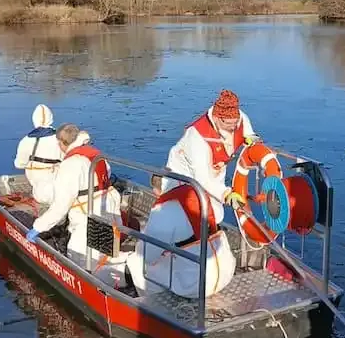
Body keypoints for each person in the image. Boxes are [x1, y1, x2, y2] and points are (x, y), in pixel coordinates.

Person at [26, 124, 126, 285]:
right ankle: (117, 279)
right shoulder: (96, 154)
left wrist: (39, 226)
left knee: (80, 260)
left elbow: (61, 205)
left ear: (60, 142)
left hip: (85, 217)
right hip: (107, 208)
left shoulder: (71, 164)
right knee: (105, 254)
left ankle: (99, 289)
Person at [126, 174, 236, 298]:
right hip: (225, 272)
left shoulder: (164, 209)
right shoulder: (202, 195)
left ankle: (153, 303)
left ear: (157, 191)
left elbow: (148, 257)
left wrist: (140, 242)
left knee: (136, 261)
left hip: (196, 285)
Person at [162, 89, 258, 225]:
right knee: (192, 211)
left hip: (216, 169)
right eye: (228, 124)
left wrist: (250, 135)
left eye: (235, 123)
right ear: (217, 118)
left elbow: (244, 123)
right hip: (184, 173)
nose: (232, 128)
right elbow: (202, 178)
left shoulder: (238, 118)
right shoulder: (197, 137)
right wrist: (226, 194)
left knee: (216, 212)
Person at [14, 104, 62, 204]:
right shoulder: (61, 139)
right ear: (51, 119)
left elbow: (19, 165)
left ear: (34, 120)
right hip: (60, 187)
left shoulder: (26, 141)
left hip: (39, 191)